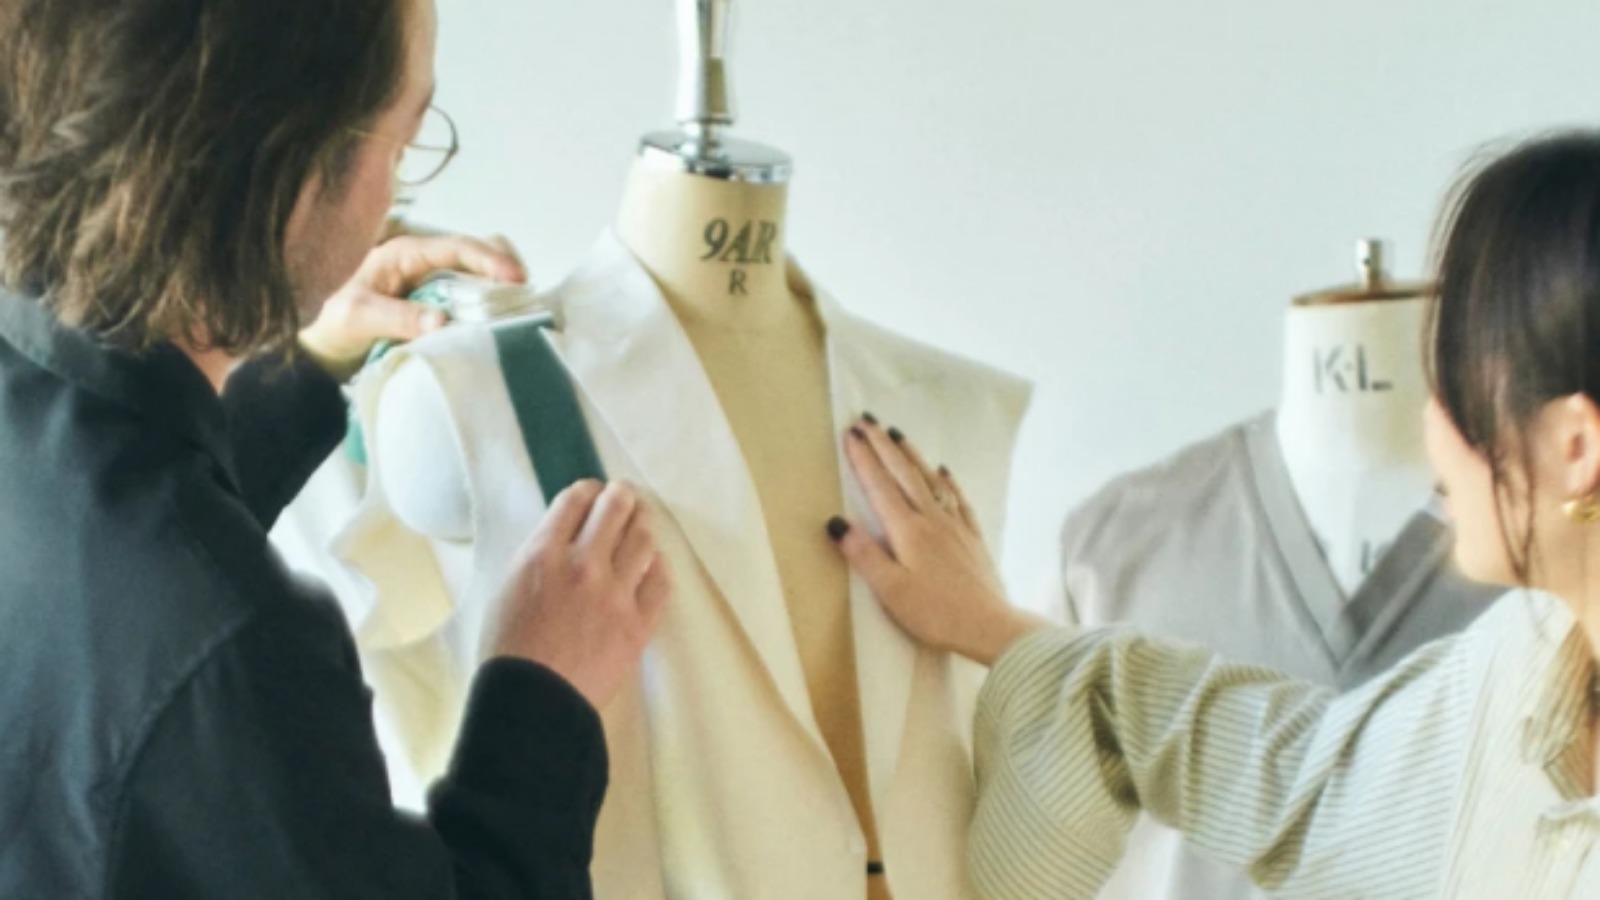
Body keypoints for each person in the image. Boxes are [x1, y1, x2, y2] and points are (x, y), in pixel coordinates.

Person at [0, 0, 670, 897]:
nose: (394, 195)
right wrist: (544, 698)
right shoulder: (231, 652)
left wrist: (294, 357)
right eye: (403, 142)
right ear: (290, 172)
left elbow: (108, 512)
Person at [828, 132, 1600, 898]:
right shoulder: (1528, 663)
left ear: (1576, 447)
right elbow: (1304, 779)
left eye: (1456, 384)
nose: (1432, 426)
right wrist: (991, 626)